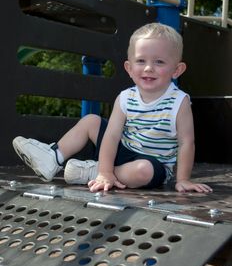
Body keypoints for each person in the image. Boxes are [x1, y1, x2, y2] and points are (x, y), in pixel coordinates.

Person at [12, 23, 212, 194]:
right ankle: (54, 156)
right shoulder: (125, 98)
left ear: (177, 70)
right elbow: (112, 136)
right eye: (141, 61)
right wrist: (106, 171)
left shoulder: (179, 101)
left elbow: (187, 142)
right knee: (91, 121)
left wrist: (183, 179)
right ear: (129, 68)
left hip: (153, 164)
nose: (148, 68)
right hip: (122, 150)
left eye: (159, 62)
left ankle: (93, 172)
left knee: (143, 170)